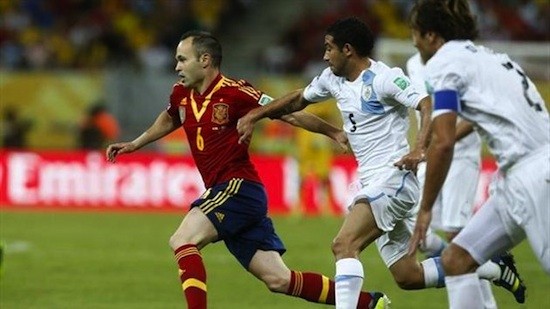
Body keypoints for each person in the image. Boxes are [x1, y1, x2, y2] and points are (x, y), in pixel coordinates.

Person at [237, 17, 526, 309]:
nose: (325, 56)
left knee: (344, 244)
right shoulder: (331, 79)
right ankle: (493, 267)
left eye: (329, 48)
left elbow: (426, 104)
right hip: (371, 182)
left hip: (395, 178)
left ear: (347, 49)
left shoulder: (385, 79)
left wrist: (418, 149)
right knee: (407, 275)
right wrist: (256, 114)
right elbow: (298, 100)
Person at [105, 30, 390, 309]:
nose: (177, 66)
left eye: (182, 59)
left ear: (205, 60)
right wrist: (135, 143)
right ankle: (369, 303)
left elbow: (287, 112)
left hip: (237, 187)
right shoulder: (181, 93)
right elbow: (170, 119)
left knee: (182, 239)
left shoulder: (235, 92)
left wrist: (333, 132)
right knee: (279, 279)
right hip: (233, 196)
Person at [407, 1, 550, 308]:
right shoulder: (488, 57)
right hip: (516, 176)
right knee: (457, 260)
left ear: (431, 36)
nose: (414, 41)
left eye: (416, 33)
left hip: (536, 176)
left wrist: (425, 209)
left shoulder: (443, 63)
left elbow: (443, 141)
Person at [406, 52, 501, 308]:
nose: (415, 40)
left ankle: (487, 304)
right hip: (431, 156)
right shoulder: (413, 64)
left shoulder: (463, 61)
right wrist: (420, 147)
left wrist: (445, 139)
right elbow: (424, 113)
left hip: (462, 155)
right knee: (413, 231)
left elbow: (476, 113)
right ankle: (495, 269)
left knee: (457, 236)